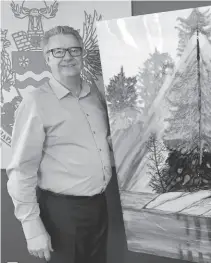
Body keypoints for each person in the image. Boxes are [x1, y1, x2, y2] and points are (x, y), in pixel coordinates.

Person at [6, 26, 114, 263]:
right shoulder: (36, 102)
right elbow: (21, 170)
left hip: (99, 207)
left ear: (82, 54)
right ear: (46, 58)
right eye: (58, 51)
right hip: (61, 213)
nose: (67, 56)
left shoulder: (96, 97)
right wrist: (32, 229)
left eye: (74, 50)